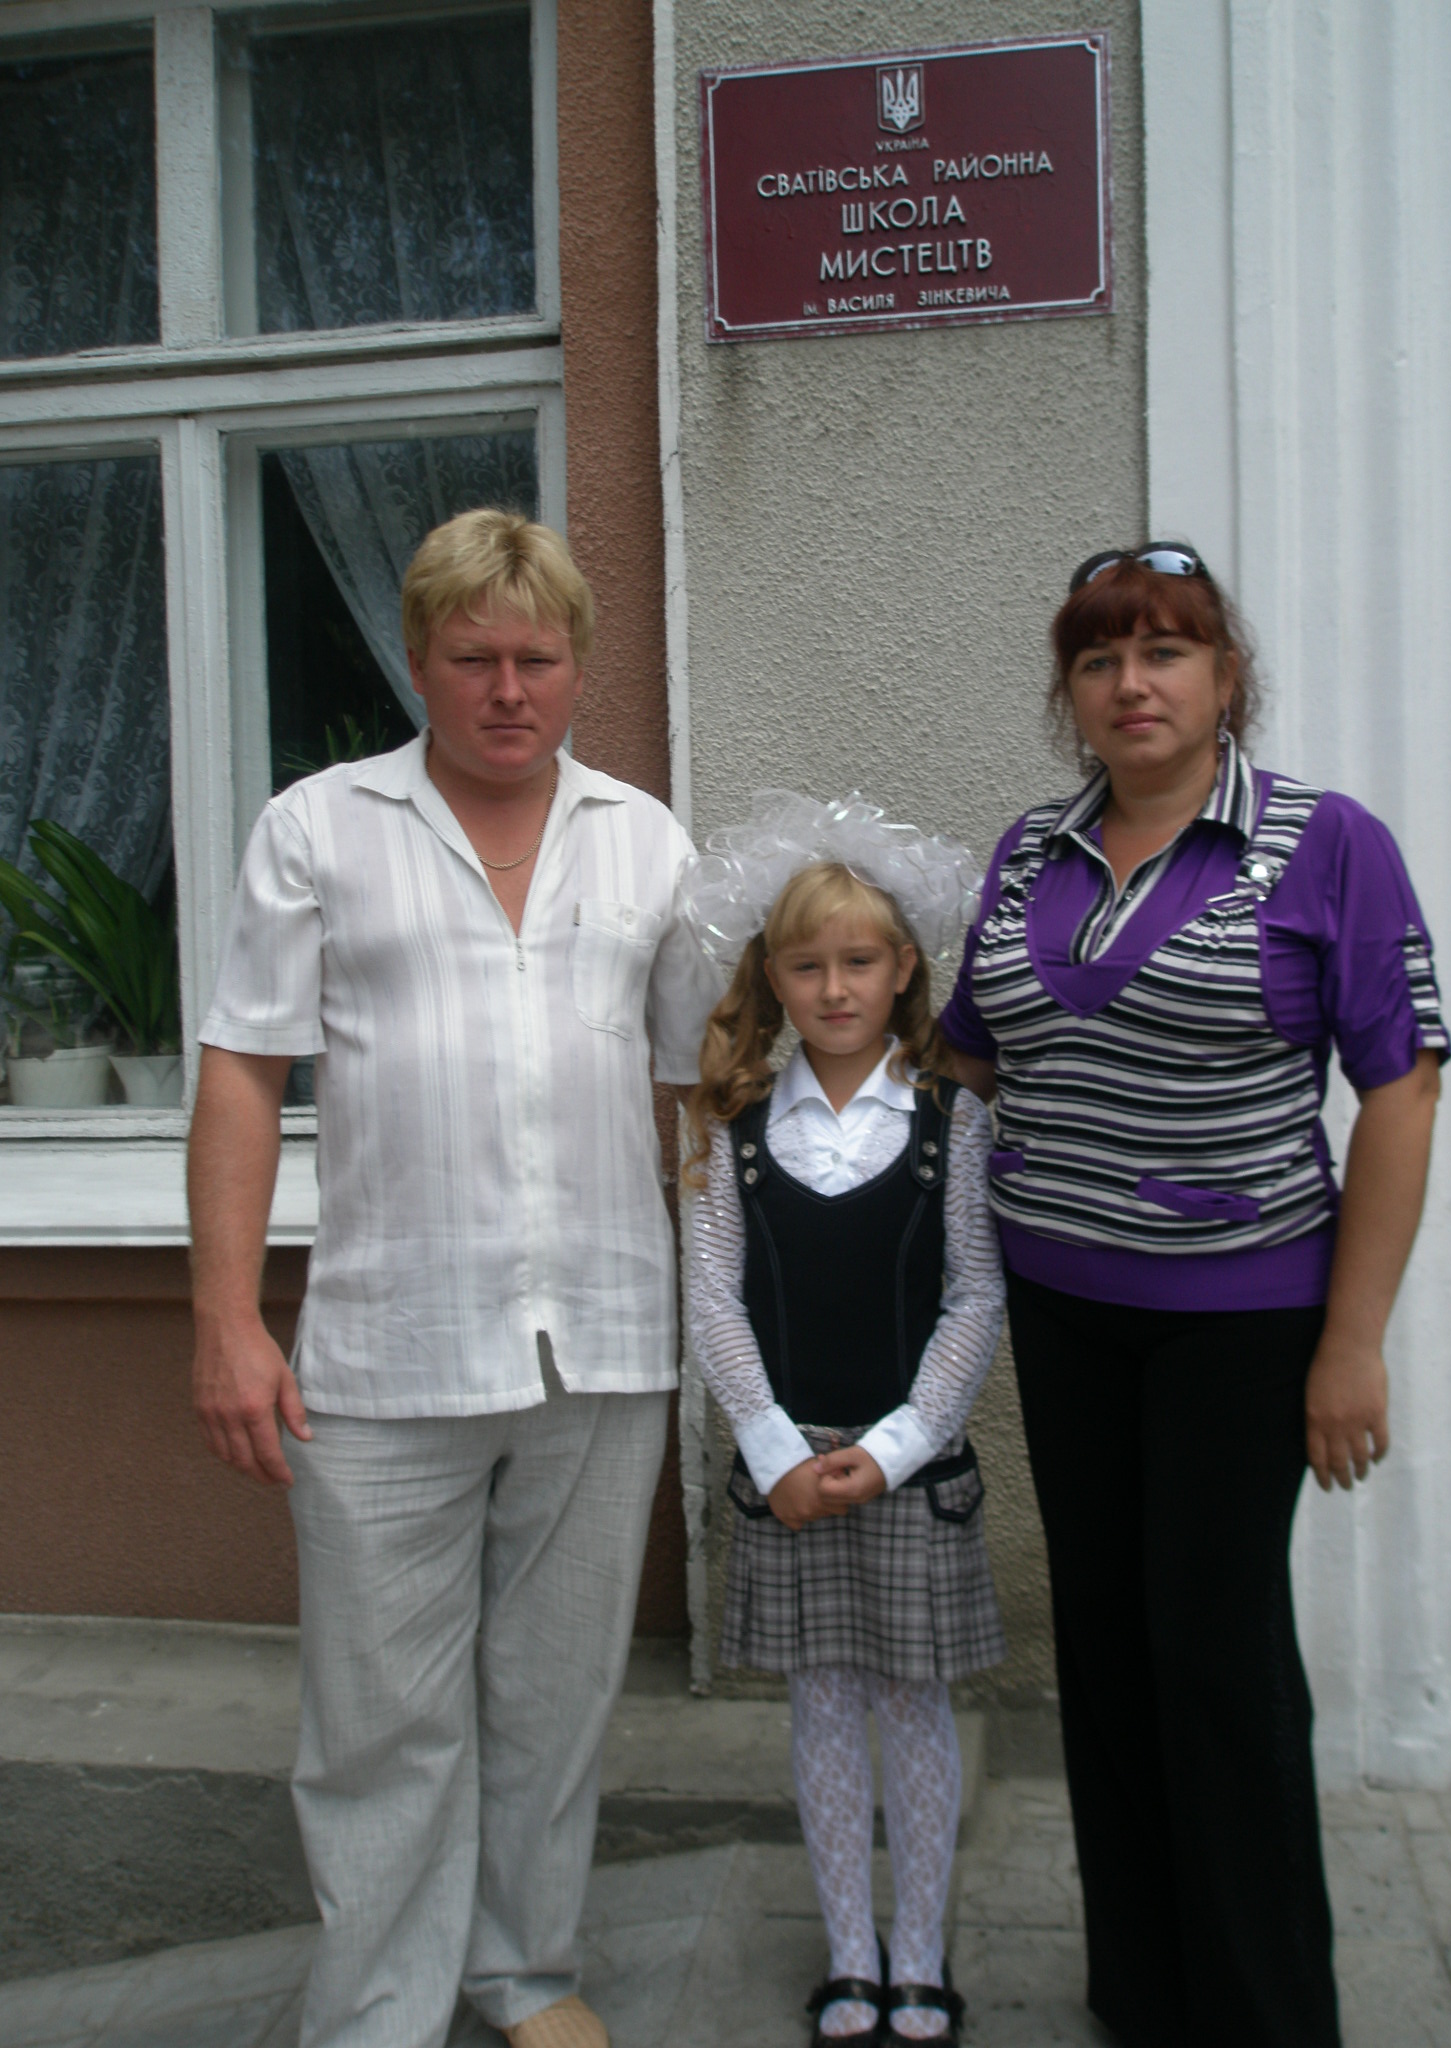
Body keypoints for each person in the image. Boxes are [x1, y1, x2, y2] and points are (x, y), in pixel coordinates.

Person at [188, 510, 715, 2048]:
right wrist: (225, 1321)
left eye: (536, 659)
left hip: (601, 1339)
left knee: (554, 1700)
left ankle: (524, 1973)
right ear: (417, 658)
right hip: (385, 1349)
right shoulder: (319, 827)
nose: (507, 690)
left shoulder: (646, 841)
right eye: (474, 657)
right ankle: (378, 2014)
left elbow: (700, 1094)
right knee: (379, 1724)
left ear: (579, 666)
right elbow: (241, 1073)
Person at [940, 544, 1450, 2048]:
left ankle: (1264, 2013)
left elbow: (1402, 1091)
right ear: (1070, 692)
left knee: (1217, 1658)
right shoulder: (1028, 852)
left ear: (1228, 677)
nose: (1133, 683)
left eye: (1166, 650)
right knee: (1104, 1645)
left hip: (1244, 1320)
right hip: (1061, 1306)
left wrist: (1353, 1343)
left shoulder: (1325, 844)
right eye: (1100, 658)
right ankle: (1146, 1991)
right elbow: (972, 1054)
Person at [680, 793, 1007, 2048]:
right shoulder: (730, 1126)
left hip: (910, 1470)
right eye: (807, 965)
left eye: (858, 961)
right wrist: (774, 1448)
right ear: (773, 975)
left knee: (913, 1704)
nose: (833, 987)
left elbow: (974, 1293)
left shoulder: (950, 1123)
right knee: (820, 1705)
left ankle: (919, 1954)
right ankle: (850, 1957)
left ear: (904, 966)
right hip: (790, 1474)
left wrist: (896, 1443)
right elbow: (713, 1295)